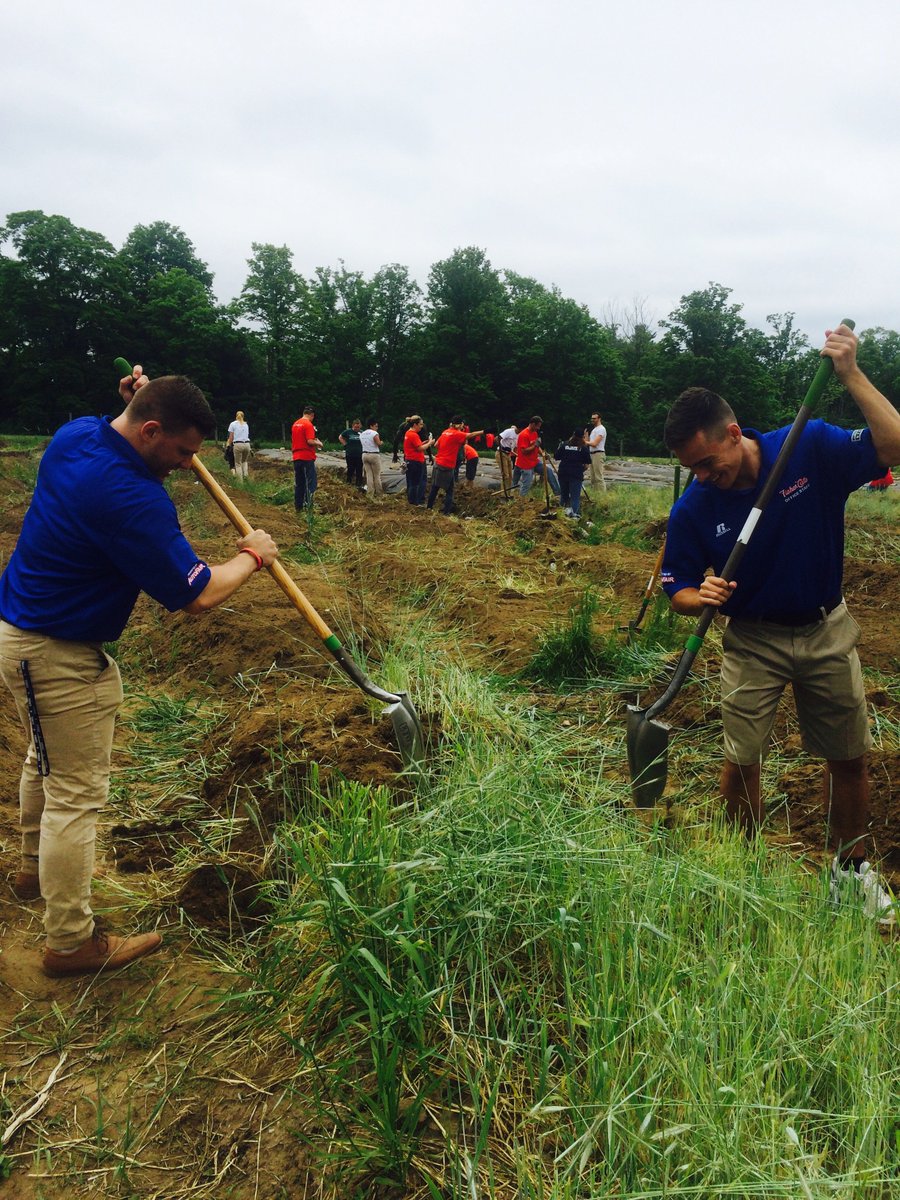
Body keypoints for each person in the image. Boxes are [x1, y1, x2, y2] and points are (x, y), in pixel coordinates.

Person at [0, 366, 279, 976]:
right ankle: (71, 942)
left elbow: (118, 426)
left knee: (41, 761)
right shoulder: (130, 497)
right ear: (150, 430)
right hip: (58, 654)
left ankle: (30, 871)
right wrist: (252, 556)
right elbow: (199, 594)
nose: (186, 465)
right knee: (75, 795)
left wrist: (131, 404)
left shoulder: (76, 435)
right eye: (180, 451)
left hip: (20, 636)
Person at [659, 324, 900, 925]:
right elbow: (679, 588)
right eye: (693, 470)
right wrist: (698, 596)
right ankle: (740, 872)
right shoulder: (693, 505)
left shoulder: (808, 448)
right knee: (741, 760)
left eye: (709, 464)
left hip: (826, 627)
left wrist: (850, 374)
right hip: (751, 639)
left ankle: (849, 873)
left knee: (848, 756)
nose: (703, 477)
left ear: (735, 435)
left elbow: (894, 447)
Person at [427, 417, 483, 514]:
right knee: (450, 490)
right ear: (459, 424)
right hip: (447, 465)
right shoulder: (457, 434)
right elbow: (471, 435)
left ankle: (429, 507)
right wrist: (484, 431)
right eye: (462, 425)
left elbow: (436, 445)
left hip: (438, 462)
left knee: (435, 487)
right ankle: (446, 512)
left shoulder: (445, 432)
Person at [291, 406, 322, 510]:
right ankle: (308, 505)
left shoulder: (295, 424)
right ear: (311, 415)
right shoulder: (308, 424)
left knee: (300, 483)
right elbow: (309, 441)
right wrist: (318, 443)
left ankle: (298, 507)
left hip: (296, 457)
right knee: (311, 482)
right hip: (307, 457)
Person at [555, 430, 591, 517]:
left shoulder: (564, 444)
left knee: (564, 496)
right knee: (575, 498)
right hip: (576, 474)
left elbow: (556, 456)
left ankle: (560, 517)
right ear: (583, 437)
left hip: (563, 473)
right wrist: (580, 470)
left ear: (573, 435)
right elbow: (587, 465)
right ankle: (575, 517)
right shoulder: (583, 448)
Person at [403, 418, 433, 505]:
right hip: (416, 461)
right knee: (416, 483)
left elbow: (416, 446)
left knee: (411, 481)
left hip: (410, 460)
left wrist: (424, 443)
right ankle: (415, 502)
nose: (421, 426)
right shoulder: (413, 435)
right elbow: (420, 448)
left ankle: (411, 501)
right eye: (420, 424)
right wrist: (430, 443)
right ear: (415, 425)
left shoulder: (408, 433)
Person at [514, 417, 543, 497]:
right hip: (525, 464)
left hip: (534, 461)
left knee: (549, 472)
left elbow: (536, 446)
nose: (538, 428)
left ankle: (558, 493)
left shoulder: (534, 433)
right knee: (526, 484)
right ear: (533, 424)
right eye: (538, 426)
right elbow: (524, 451)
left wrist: (542, 453)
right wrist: (535, 445)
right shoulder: (524, 435)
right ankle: (521, 501)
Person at [359, 418, 383, 497]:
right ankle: (379, 493)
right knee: (377, 475)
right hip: (374, 454)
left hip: (364, 454)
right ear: (371, 426)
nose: (377, 428)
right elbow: (378, 443)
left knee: (369, 475)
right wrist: (381, 442)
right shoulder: (374, 433)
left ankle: (370, 494)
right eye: (376, 426)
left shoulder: (362, 434)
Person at [226, 410, 251, 481]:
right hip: (247, 444)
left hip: (238, 444)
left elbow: (231, 437)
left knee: (238, 464)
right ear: (243, 416)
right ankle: (246, 476)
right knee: (244, 461)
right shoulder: (246, 424)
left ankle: (240, 481)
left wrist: (228, 445)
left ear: (236, 416)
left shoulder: (233, 424)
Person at [339, 418, 364, 488]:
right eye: (355, 427)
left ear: (360, 426)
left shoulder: (362, 432)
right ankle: (348, 483)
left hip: (359, 455)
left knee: (359, 470)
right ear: (353, 426)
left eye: (358, 427)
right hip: (350, 454)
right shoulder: (348, 432)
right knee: (350, 469)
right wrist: (345, 444)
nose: (357, 428)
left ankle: (358, 484)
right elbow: (340, 437)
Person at [587, 412, 607, 491]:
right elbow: (589, 442)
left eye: (594, 418)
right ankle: (595, 493)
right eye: (592, 418)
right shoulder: (594, 430)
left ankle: (602, 494)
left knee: (598, 476)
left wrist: (584, 442)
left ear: (599, 419)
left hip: (598, 453)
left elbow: (595, 443)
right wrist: (586, 435)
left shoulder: (601, 429)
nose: (593, 420)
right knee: (593, 477)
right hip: (592, 454)